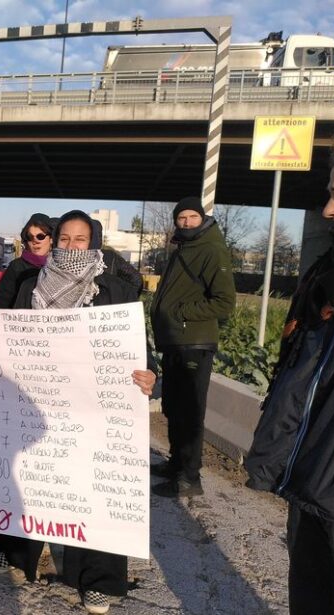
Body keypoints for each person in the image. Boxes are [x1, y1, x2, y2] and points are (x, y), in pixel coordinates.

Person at [0, 210, 156, 614]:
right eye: (65, 239)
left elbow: (139, 349)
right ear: (55, 242)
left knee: (92, 488)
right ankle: (17, 552)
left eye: (80, 239)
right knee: (35, 479)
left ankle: (99, 580)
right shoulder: (28, 287)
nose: (72, 246)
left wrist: (149, 375)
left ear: (93, 244)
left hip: (93, 411)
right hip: (37, 403)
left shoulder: (114, 289)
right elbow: (9, 339)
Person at [245, 146, 334, 615]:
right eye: (331, 195)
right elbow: (299, 379)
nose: (329, 210)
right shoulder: (326, 274)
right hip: (307, 479)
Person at [149, 196, 235, 498]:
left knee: (189, 411)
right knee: (173, 406)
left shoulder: (211, 250)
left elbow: (224, 303)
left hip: (194, 343)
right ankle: (176, 463)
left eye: (192, 217)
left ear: (202, 219)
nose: (186, 222)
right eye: (181, 218)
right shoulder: (185, 247)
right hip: (176, 342)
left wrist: (182, 312)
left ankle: (189, 477)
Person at [0, 213, 55, 309]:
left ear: (51, 239)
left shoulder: (59, 267)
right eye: (30, 237)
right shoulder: (15, 267)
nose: (35, 241)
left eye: (40, 236)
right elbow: (1, 303)